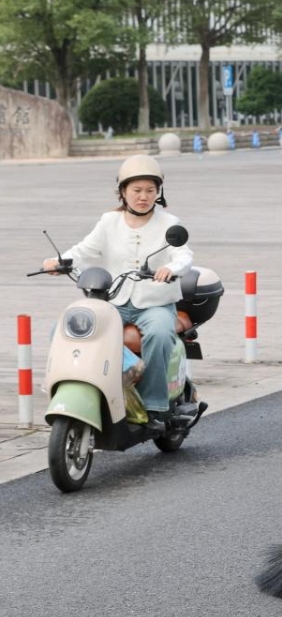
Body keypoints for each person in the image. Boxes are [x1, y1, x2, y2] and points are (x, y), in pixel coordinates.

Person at [42, 155, 193, 431]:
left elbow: (184, 255)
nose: (143, 197)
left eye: (150, 190)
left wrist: (171, 267)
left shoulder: (169, 222)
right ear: (123, 191)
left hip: (154, 304)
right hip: (115, 302)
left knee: (159, 334)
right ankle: (87, 384)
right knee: (62, 329)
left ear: (158, 192)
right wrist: (60, 261)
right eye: (136, 190)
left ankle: (154, 405)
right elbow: (85, 250)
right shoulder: (109, 221)